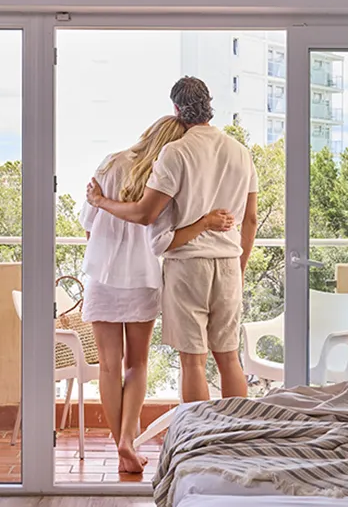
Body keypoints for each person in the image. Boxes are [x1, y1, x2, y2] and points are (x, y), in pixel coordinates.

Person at [87, 77, 258, 404]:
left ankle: (197, 443)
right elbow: (249, 219)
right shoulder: (241, 153)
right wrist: (240, 266)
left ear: (177, 109)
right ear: (210, 104)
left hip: (188, 264)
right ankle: (238, 439)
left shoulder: (176, 152)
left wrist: (100, 202)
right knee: (229, 356)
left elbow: (145, 214)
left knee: (193, 362)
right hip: (229, 265)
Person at [80, 115, 234, 473]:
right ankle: (127, 442)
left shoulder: (109, 163)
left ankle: (120, 441)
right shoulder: (164, 176)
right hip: (144, 278)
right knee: (136, 364)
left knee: (107, 366)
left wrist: (105, 254)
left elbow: (89, 224)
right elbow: (163, 236)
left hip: (103, 277)